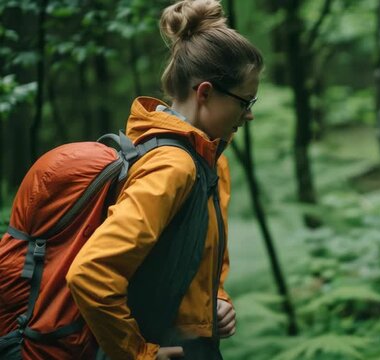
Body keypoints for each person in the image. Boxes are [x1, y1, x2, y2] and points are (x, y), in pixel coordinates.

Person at [65, 0, 263, 359]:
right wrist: (142, 354)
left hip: (196, 344)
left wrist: (215, 301)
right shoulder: (173, 166)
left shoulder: (211, 161)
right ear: (205, 93)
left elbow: (203, 257)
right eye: (244, 101)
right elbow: (91, 273)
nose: (248, 115)